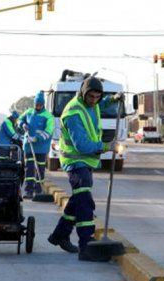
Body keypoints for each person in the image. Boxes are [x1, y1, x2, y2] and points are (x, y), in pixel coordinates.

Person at [47, 76, 121, 261]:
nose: (94, 100)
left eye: (98, 97)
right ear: (83, 93)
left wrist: (113, 99)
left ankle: (59, 236)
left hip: (86, 162)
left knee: (77, 200)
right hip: (75, 162)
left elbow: (99, 106)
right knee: (86, 202)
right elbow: (82, 146)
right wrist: (106, 146)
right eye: (91, 97)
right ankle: (85, 245)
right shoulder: (73, 113)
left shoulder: (92, 104)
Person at [19, 91, 55, 199]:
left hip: (41, 147)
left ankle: (39, 191)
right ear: (34, 103)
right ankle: (28, 191)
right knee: (28, 168)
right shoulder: (29, 112)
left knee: (40, 169)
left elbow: (48, 132)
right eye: (36, 104)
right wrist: (23, 124)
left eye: (39, 104)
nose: (37, 106)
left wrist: (36, 138)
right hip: (28, 146)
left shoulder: (48, 116)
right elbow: (19, 119)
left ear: (43, 104)